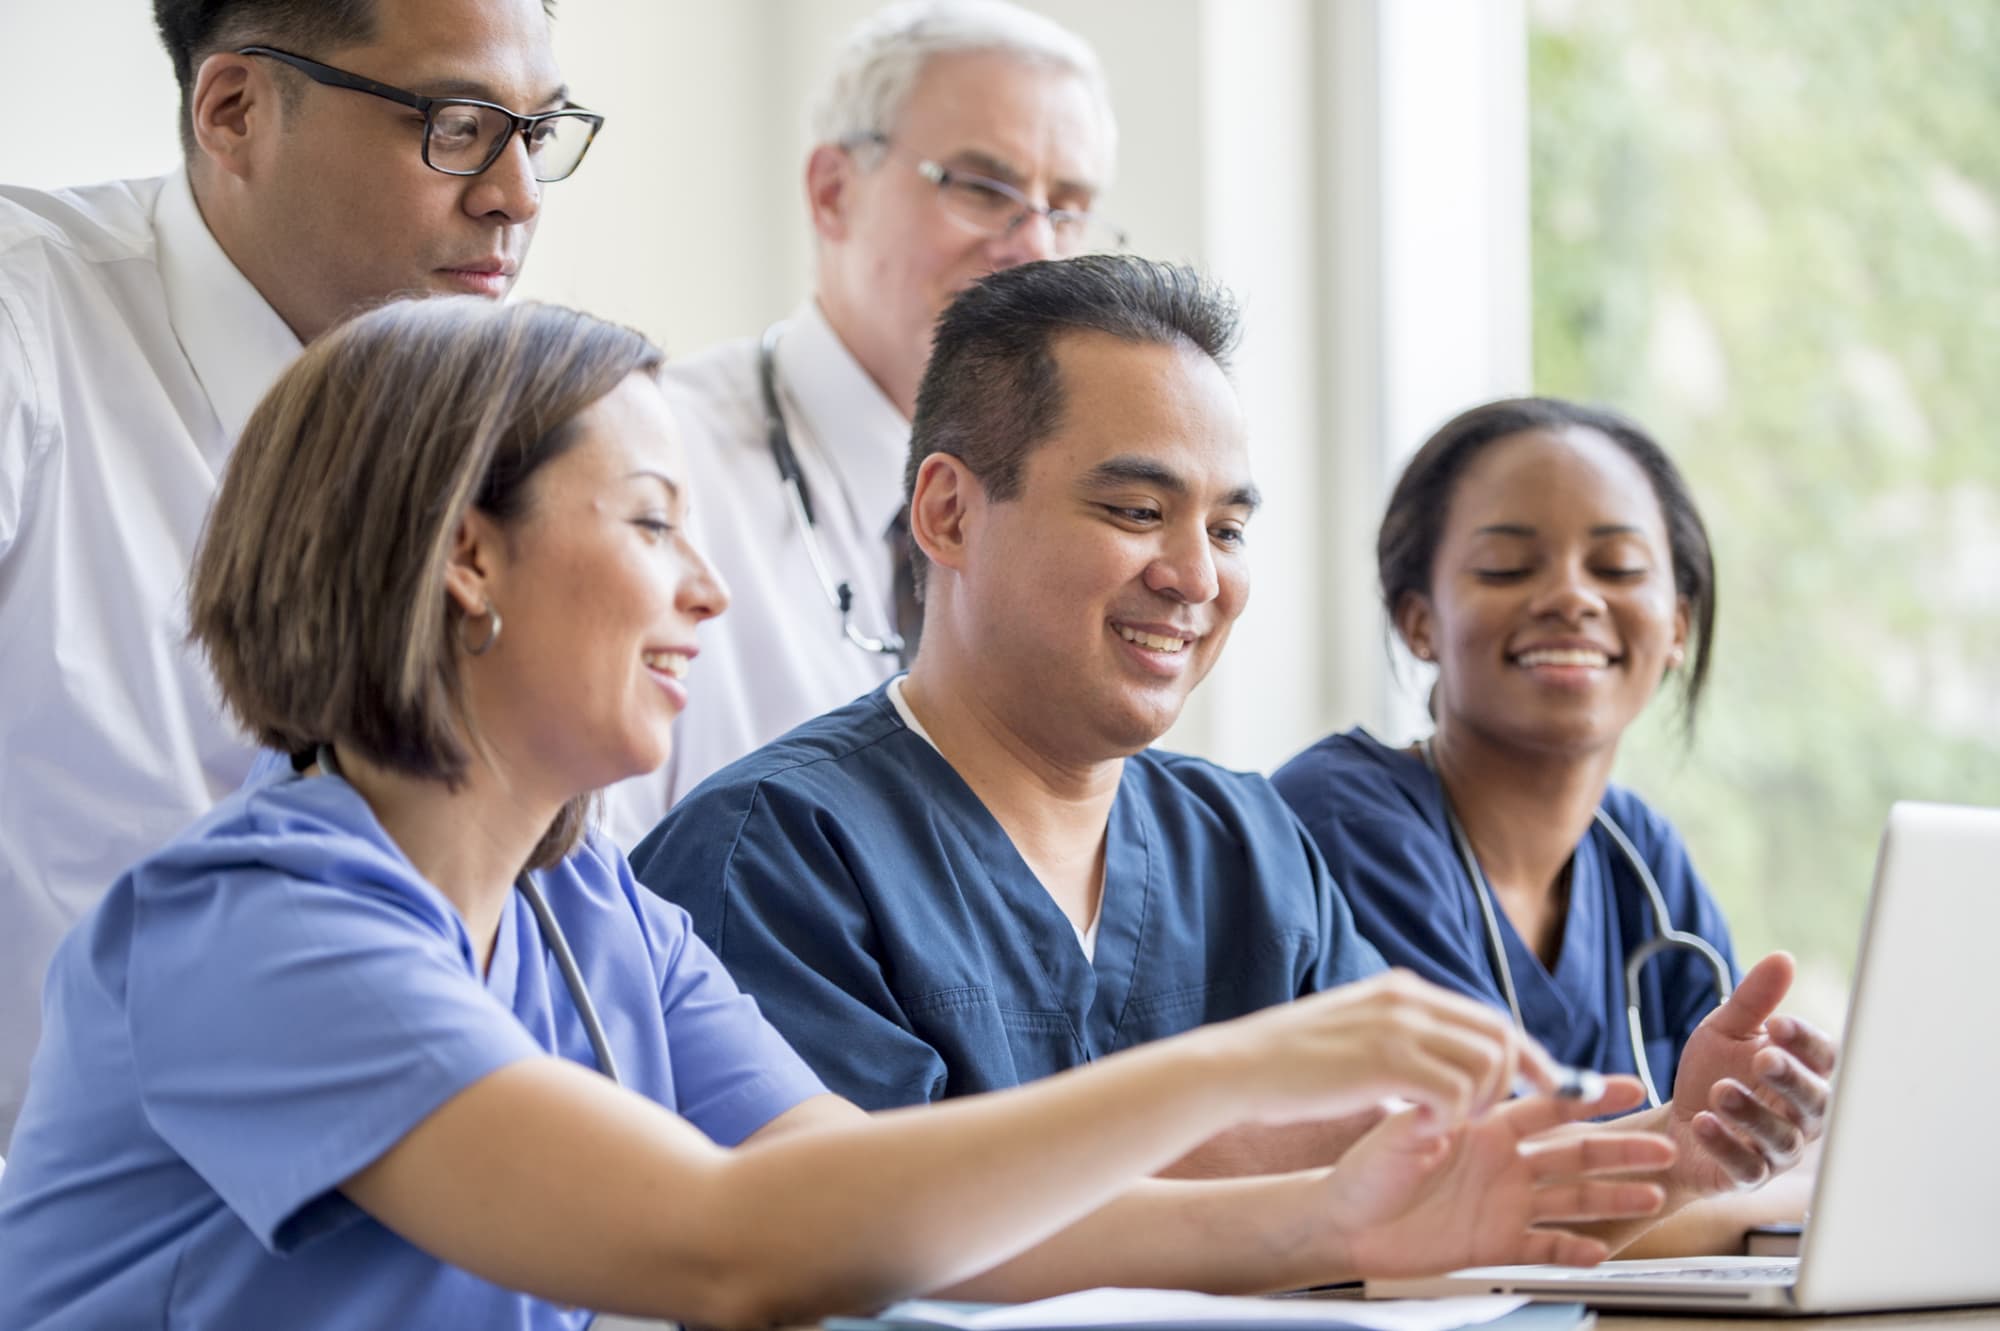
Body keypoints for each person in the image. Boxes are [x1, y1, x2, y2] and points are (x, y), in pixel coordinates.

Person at [0, 298, 1675, 1330]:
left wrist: (1342, 1214)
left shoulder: (600, 925)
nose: (710, 592)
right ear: (467, 548)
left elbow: (880, 1208)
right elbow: (738, 1245)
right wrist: (1251, 1064)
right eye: (652, 522)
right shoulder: (256, 928)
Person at [636, 259, 1833, 1242]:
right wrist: (1294, 1142)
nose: (1195, 576)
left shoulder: (1244, 840)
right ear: (949, 512)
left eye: (1227, 525)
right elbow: (872, 1237)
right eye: (1135, 510)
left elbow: (1438, 1155)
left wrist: (1677, 1147)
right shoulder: (777, 853)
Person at [0, 0, 597, 1146]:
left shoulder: (502, 430)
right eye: (460, 124)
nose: (518, 196)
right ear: (234, 112)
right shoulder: (27, 330)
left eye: (542, 128)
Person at [1271, 396, 1840, 1252]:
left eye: (1616, 567)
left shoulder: (1637, 852)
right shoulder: (1346, 819)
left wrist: (1772, 1153)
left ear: (1677, 624)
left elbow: (1743, 1149)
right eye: (1505, 567)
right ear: (1417, 619)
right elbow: (1489, 1202)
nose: (1571, 597)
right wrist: (1760, 1193)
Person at [600, 0, 1124, 843]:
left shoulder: (1069, 509)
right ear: (833, 192)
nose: (1034, 249)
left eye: (1066, 208)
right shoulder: (654, 457)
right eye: (983, 188)